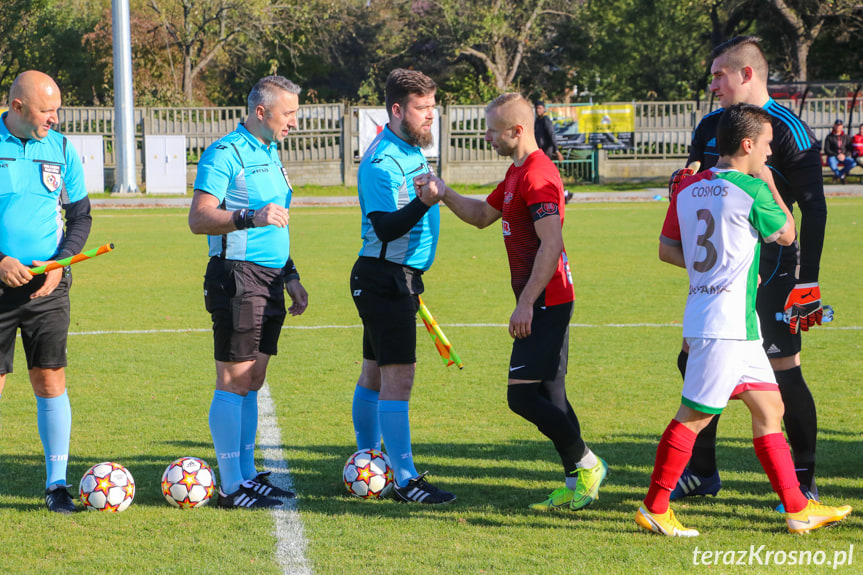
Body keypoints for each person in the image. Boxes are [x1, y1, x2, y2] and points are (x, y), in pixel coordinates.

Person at [637, 103, 851, 537]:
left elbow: (666, 249)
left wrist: (710, 274)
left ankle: (796, 509)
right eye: (768, 146)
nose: (770, 154)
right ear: (748, 144)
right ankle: (655, 507)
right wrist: (770, 183)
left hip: (726, 320)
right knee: (692, 416)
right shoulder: (751, 189)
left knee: (770, 407)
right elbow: (788, 233)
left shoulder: (688, 186)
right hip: (726, 326)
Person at [414, 93, 608, 511]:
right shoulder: (517, 171)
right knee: (551, 397)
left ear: (516, 131)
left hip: (548, 300)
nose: (486, 137)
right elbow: (484, 215)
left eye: (491, 130)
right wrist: (443, 192)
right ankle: (578, 484)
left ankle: (589, 464)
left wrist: (526, 304)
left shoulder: (538, 176)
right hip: (546, 298)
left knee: (520, 396)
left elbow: (551, 244)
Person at [672, 36, 827, 507]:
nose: (714, 83)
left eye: (720, 74)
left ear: (746, 74)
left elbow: (814, 209)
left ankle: (803, 479)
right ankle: (702, 473)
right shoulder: (709, 126)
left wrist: (808, 282)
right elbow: (698, 182)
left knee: (783, 374)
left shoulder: (790, 131)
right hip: (723, 276)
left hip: (777, 273)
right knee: (693, 364)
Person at [189, 75, 307, 509]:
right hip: (237, 276)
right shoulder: (225, 153)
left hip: (272, 279)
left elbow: (279, 219)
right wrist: (248, 216)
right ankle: (230, 485)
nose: (294, 122)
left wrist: (290, 275)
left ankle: (246, 473)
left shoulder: (271, 152)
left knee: (254, 379)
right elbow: (199, 218)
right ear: (262, 112)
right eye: (289, 113)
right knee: (234, 379)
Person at [349, 69, 456, 505]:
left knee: (374, 373)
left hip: (394, 278)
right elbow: (387, 228)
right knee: (399, 378)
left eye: (433, 107)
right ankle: (405, 477)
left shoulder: (411, 149)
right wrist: (424, 201)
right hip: (384, 279)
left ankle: (368, 457)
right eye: (422, 108)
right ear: (397, 110)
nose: (431, 116)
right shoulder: (380, 162)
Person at [0, 70, 92, 513]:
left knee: (50, 378)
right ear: (17, 107)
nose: (55, 119)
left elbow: (81, 217)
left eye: (58, 109)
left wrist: (60, 263)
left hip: (48, 287)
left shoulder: (60, 147)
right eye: (46, 110)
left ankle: (57, 483)